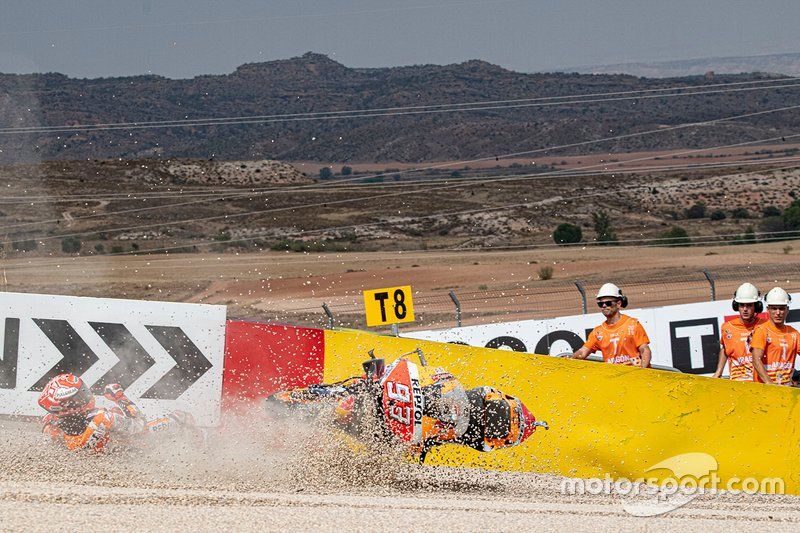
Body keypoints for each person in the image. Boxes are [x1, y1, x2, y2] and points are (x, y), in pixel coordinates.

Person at [38, 373, 200, 452]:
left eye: (82, 392)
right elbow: (140, 425)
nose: (85, 397)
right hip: (137, 452)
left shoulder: (50, 423)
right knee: (181, 417)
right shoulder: (103, 418)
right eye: (77, 397)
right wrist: (121, 398)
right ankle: (204, 448)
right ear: (63, 406)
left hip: (113, 455)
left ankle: (199, 447)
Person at [572, 283, 652, 367]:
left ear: (618, 304)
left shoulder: (633, 324)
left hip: (635, 375)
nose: (604, 306)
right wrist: (569, 360)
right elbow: (582, 352)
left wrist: (642, 370)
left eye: (608, 303)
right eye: (600, 304)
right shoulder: (597, 332)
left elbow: (645, 350)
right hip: (615, 377)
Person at [712, 283, 766, 380]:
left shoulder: (765, 326)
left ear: (756, 306)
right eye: (742, 305)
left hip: (760, 381)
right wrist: (718, 372)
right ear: (736, 306)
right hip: (738, 381)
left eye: (749, 305)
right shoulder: (727, 327)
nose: (745, 309)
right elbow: (725, 349)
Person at [751, 287, 800, 386]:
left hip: (786, 390)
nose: (778, 313)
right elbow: (756, 359)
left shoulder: (794, 333)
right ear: (768, 310)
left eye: (781, 308)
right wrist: (769, 383)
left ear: (787, 310)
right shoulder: (762, 331)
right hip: (764, 389)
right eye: (774, 308)